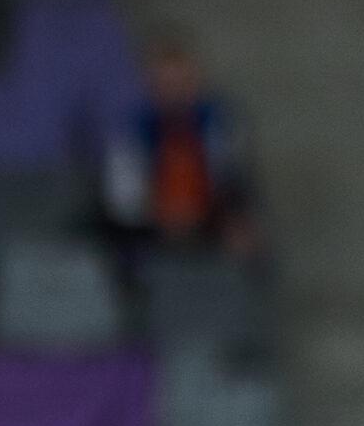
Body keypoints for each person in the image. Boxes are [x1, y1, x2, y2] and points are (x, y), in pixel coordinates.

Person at [101, 31, 261, 264]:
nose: (175, 93)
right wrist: (160, 212)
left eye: (182, 83)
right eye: (166, 84)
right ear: (151, 85)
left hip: (209, 222)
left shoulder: (218, 124)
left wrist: (219, 216)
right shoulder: (132, 131)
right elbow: (123, 199)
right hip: (150, 228)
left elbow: (233, 180)